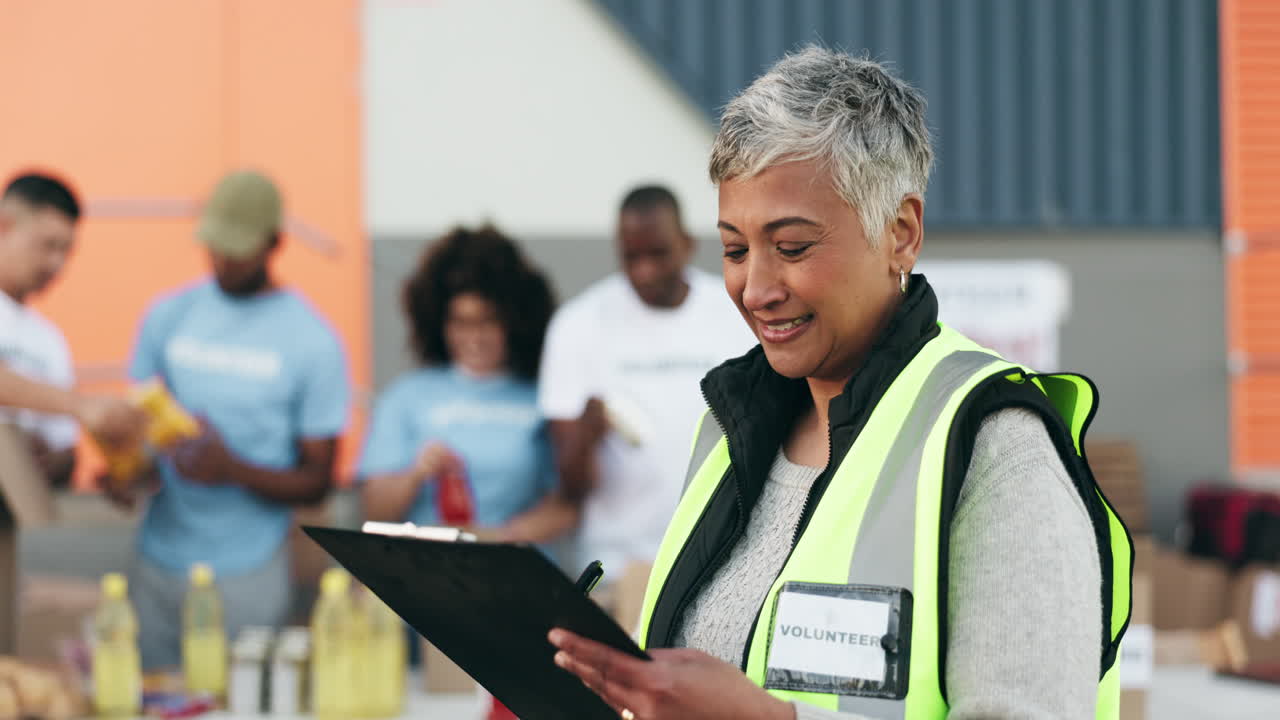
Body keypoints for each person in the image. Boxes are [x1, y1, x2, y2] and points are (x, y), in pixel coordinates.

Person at [550, 48, 1132, 720]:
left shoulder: (995, 447)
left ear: (901, 234)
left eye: (792, 247)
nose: (756, 289)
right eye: (735, 249)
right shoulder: (729, 429)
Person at [118, 170, 350, 669]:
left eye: (237, 249)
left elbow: (318, 480)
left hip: (249, 569)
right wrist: (128, 473)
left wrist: (232, 469)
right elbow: (136, 432)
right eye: (215, 246)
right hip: (157, 559)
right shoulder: (168, 315)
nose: (222, 260)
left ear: (274, 243)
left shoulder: (313, 340)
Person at [531, 185, 754, 587]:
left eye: (657, 253)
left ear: (686, 244)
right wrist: (585, 433)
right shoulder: (579, 324)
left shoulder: (735, 311)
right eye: (631, 256)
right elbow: (570, 486)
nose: (644, 270)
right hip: (618, 567)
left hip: (719, 558)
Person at [360, 225, 559, 540]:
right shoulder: (406, 395)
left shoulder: (544, 398)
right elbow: (373, 511)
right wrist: (416, 475)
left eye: (488, 321)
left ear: (514, 322)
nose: (474, 338)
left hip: (513, 569)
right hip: (425, 568)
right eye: (461, 323)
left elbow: (567, 504)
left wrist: (501, 537)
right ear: (440, 324)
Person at [0, 173, 144, 478]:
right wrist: (82, 406)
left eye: (66, 251)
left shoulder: (48, 339)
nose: (57, 264)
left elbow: (66, 448)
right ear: (4, 225)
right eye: (48, 245)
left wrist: (50, 459)